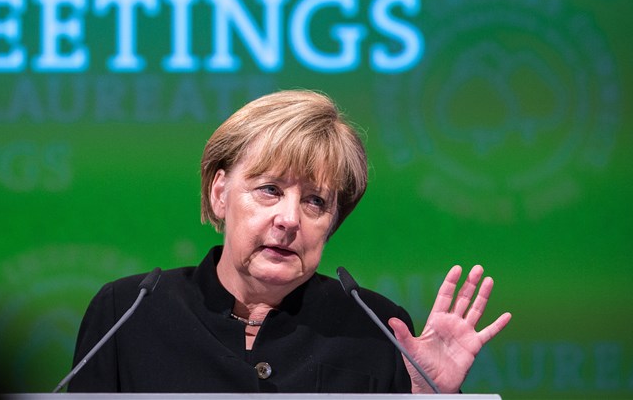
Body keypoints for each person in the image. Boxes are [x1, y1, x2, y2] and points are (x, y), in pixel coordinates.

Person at [67, 89, 510, 393]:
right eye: (270, 190)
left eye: (315, 201)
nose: (289, 219)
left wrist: (431, 397)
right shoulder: (128, 312)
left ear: (333, 221)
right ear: (219, 193)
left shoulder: (376, 329)